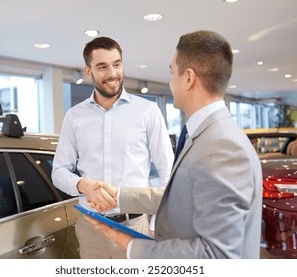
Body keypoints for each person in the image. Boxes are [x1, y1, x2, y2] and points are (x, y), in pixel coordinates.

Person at [86, 30, 263, 259]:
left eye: (172, 73)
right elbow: (183, 197)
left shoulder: (222, 147)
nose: (170, 82)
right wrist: (120, 196)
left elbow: (217, 256)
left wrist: (131, 245)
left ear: (188, 78)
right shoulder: (206, 135)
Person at [51, 36, 174, 258]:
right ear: (88, 72)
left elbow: (168, 170)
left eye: (117, 64)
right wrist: (81, 184)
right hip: (90, 228)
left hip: (135, 227)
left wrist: (157, 223)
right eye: (103, 66)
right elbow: (58, 171)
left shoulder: (148, 111)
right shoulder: (74, 116)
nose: (113, 73)